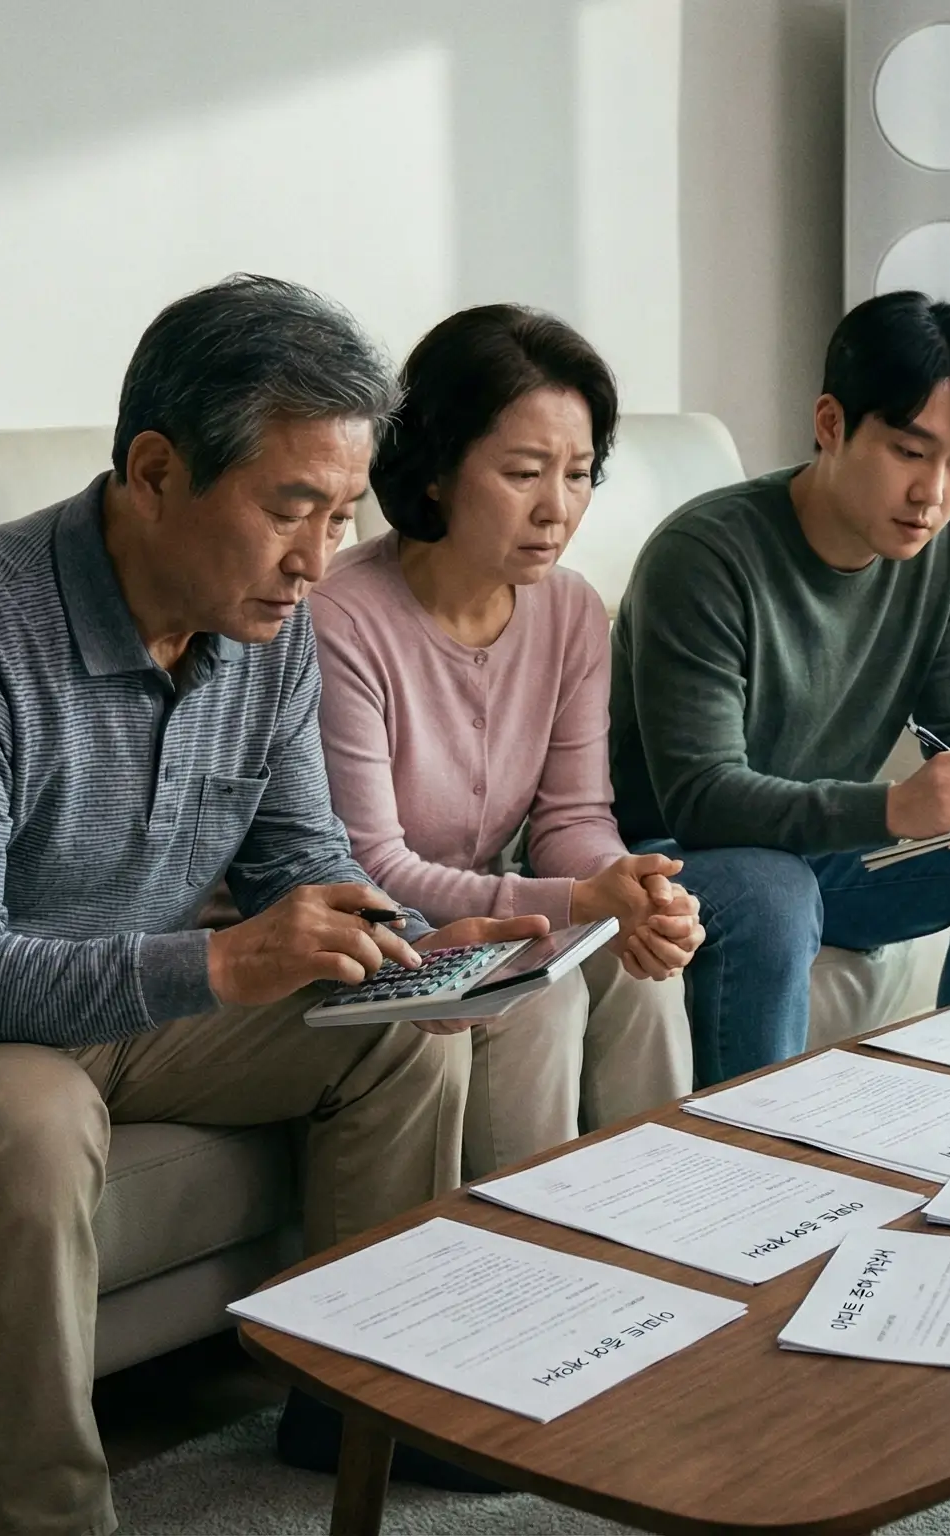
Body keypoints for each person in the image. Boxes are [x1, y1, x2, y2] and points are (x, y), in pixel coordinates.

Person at [0, 276, 545, 1535]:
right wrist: (219, 970)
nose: (318, 561)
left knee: (393, 1032)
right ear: (157, 471)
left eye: (340, 517)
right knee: (32, 1117)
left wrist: (408, 942)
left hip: (116, 1008)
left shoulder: (272, 629)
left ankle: (356, 1409)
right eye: (290, 510)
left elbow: (300, 863)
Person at [609, 291, 950, 1087]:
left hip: (817, 848)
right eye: (909, 452)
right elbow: (700, 796)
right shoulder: (705, 556)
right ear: (831, 423)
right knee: (773, 887)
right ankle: (763, 1159)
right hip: (679, 858)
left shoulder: (941, 557)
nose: (933, 493)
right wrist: (893, 808)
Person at [314, 303, 699, 1176]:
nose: (556, 508)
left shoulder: (568, 610)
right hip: (394, 928)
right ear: (440, 469)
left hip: (498, 914)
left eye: (579, 472)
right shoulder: (341, 619)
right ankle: (527, 1259)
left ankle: (678, 1221)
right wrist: (573, 904)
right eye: (525, 472)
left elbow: (573, 816)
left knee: (646, 966)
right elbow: (372, 866)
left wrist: (625, 887)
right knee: (544, 993)